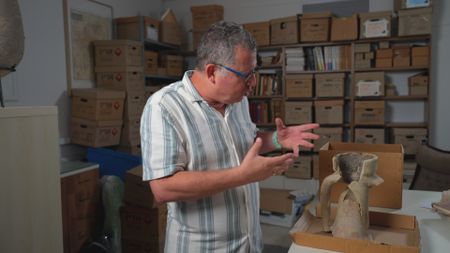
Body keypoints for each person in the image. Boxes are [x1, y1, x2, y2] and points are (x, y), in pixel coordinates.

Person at [140, 21, 320, 253]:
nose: (253, 83)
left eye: (254, 72)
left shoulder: (238, 101)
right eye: (246, 75)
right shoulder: (164, 107)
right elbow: (163, 188)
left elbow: (246, 141)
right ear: (213, 72)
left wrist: (276, 139)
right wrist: (241, 176)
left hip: (249, 244)